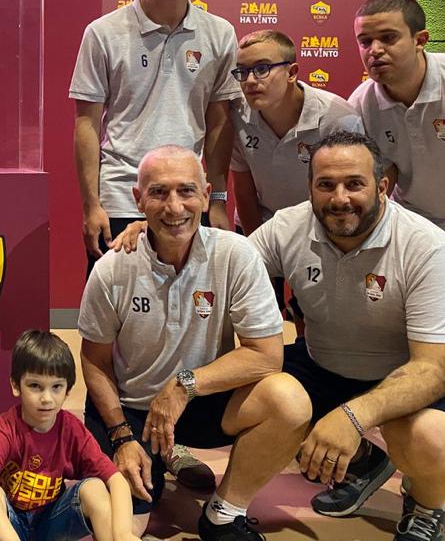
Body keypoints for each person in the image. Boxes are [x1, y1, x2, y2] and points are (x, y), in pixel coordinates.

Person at [70, 0, 243, 489]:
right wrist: (94, 203)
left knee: (191, 322)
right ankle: (115, 430)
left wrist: (213, 195)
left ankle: (174, 437)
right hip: (124, 191)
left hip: (188, 197)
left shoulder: (218, 34)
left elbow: (220, 122)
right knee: (124, 328)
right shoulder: (105, 32)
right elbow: (88, 123)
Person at [78, 145, 311, 540]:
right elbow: (94, 361)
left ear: (206, 195)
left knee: (289, 399)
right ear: (138, 200)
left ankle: (224, 512)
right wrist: (120, 435)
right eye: (158, 193)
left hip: (203, 400)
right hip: (133, 410)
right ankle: (156, 453)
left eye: (186, 191)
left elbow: (267, 356)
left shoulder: (236, 254)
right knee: (122, 531)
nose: (174, 207)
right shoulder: (113, 268)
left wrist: (184, 384)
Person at [248, 131, 445, 541]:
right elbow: (222, 271)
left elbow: (434, 371)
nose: (339, 198)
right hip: (325, 363)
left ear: (382, 187)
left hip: (408, 374)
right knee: (253, 396)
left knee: (432, 440)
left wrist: (351, 417)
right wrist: (150, 237)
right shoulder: (286, 227)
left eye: (354, 184)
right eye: (325, 185)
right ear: (310, 187)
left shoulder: (427, 247)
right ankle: (366, 461)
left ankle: (425, 506)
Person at [0, 330, 138, 541]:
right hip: (9, 527)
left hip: (50, 522)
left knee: (95, 488)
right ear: (15, 385)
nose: (47, 398)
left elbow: (116, 480)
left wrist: (124, 533)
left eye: (56, 387)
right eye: (35, 386)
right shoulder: (6, 428)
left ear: (68, 390)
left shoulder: (71, 430)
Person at [348, 0, 445, 269]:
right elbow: (380, 176)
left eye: (388, 38)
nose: (374, 50)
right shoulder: (361, 105)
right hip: (418, 228)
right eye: (365, 42)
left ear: (420, 40)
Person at [230, 30, 363, 236]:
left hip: (320, 229)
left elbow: (351, 195)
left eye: (262, 68)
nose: (249, 80)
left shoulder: (338, 119)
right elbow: (244, 191)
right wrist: (257, 248)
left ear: (291, 73)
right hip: (261, 225)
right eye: (242, 71)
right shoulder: (237, 114)